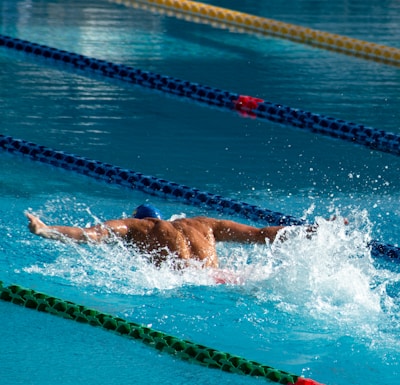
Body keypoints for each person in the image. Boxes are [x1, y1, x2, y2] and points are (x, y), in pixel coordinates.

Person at [25, 204, 289, 269]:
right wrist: (311, 231)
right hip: (229, 280)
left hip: (192, 285)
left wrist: (45, 229)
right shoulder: (203, 224)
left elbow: (89, 235)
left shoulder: (136, 227)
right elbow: (261, 234)